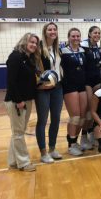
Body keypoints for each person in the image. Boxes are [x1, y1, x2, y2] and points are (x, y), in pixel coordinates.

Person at [5, 33, 40, 171]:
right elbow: (11, 82)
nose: (34, 45)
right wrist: (18, 100)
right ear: (24, 42)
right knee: (19, 133)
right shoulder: (15, 57)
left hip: (26, 100)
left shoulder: (28, 58)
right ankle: (24, 163)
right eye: (31, 42)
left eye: (36, 43)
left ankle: (13, 161)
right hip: (17, 102)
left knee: (18, 132)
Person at [35, 22, 63, 163]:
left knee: (56, 119)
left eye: (54, 29)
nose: (52, 31)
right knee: (42, 121)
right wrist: (40, 84)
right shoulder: (39, 48)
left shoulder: (58, 48)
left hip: (57, 88)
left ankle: (52, 149)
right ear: (45, 32)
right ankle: (43, 152)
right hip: (44, 89)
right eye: (49, 29)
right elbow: (33, 68)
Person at [60, 28, 88, 156]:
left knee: (82, 117)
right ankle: (71, 145)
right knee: (75, 116)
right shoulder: (62, 51)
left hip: (81, 85)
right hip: (69, 86)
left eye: (78, 36)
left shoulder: (83, 50)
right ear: (68, 37)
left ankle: (74, 140)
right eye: (73, 36)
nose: (76, 38)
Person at [80, 26, 101, 149]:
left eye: (99, 33)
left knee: (96, 108)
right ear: (89, 34)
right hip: (87, 81)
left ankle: (91, 133)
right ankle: (83, 137)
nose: (97, 35)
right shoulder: (84, 46)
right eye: (95, 33)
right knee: (88, 110)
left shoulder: (97, 47)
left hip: (97, 80)